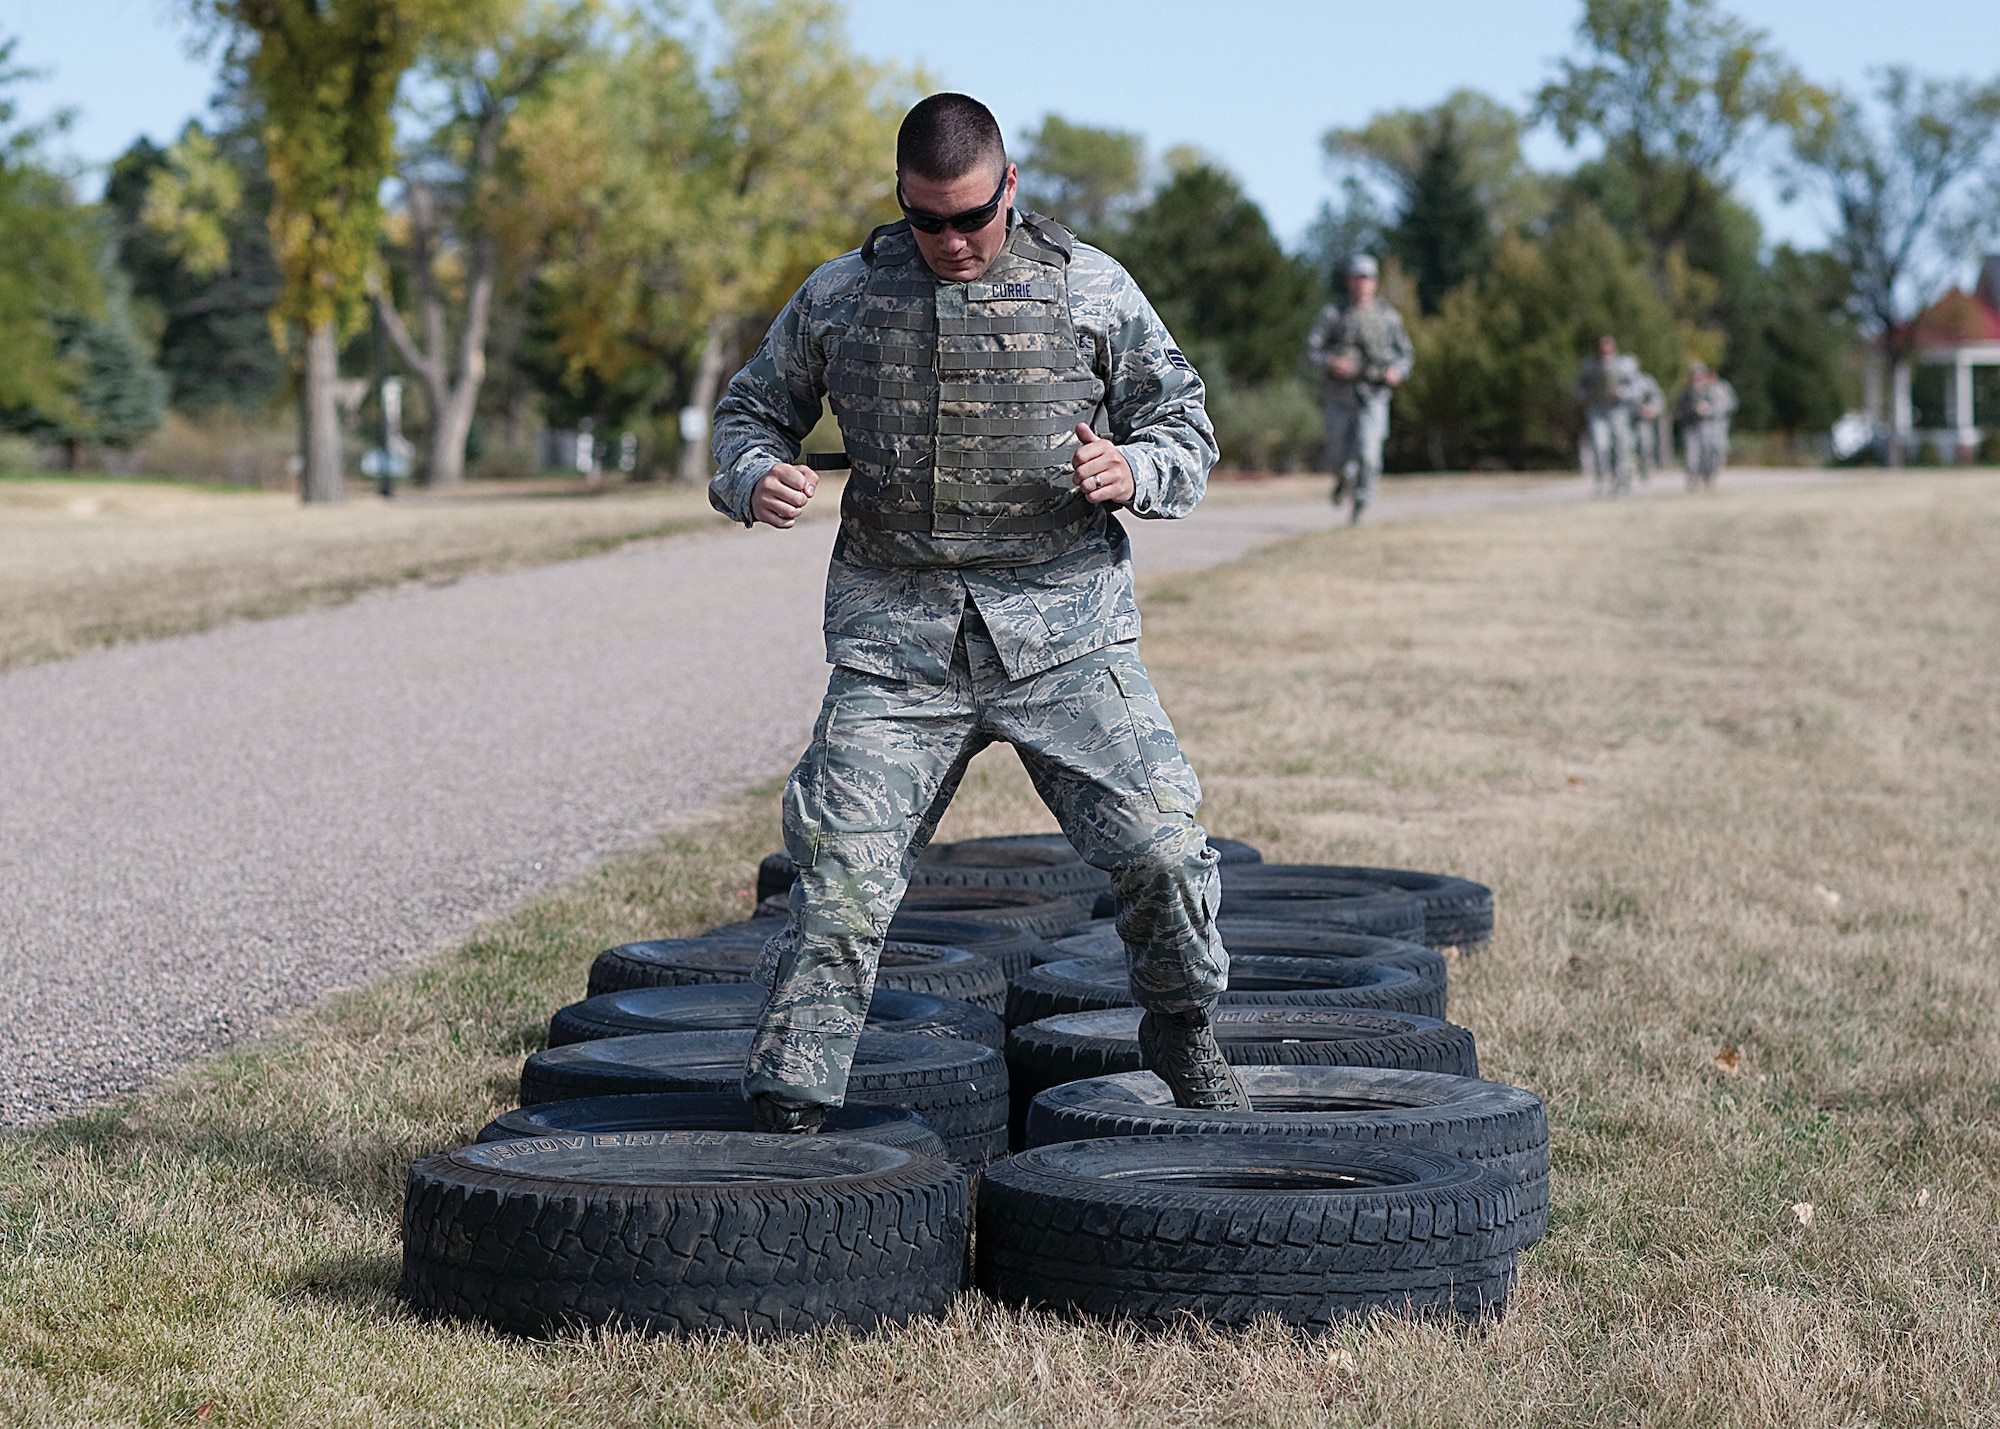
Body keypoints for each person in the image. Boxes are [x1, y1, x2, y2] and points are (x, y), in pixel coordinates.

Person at [708, 93, 1243, 1130]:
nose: (950, 241)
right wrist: (754, 474)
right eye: (925, 220)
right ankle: (789, 1110)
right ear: (901, 203)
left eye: (969, 218)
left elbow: (1186, 426)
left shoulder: (1089, 288)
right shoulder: (843, 297)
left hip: (1065, 639)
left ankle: (1180, 1026)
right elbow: (748, 410)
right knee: (839, 879)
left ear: (1010, 188)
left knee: (1164, 851)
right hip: (899, 644)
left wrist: (1133, 468)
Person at [1304, 255, 1413, 524]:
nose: (1361, 284)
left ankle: (1360, 505)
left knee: (1369, 454)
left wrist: (1397, 371)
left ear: (1374, 282)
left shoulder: (1388, 317)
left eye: (1366, 278)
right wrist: (1331, 362)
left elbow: (1405, 355)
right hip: (1339, 396)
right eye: (1356, 278)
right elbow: (1310, 351)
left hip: (1374, 395)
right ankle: (1343, 480)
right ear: (1348, 281)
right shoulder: (1333, 315)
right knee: (1337, 455)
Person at [1575, 335, 1639, 497]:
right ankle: (1601, 482)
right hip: (1597, 411)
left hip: (1617, 411)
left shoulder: (1623, 366)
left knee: (1621, 448)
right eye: (1602, 352)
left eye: (1608, 352)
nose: (1605, 355)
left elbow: (1636, 389)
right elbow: (1579, 388)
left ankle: (1622, 482)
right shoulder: (1590, 365)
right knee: (1599, 445)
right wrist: (1585, 395)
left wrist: (1623, 393)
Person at [1676, 362, 1738, 490]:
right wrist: (1694, 409)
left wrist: (1709, 410)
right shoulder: (1686, 393)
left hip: (1709, 430)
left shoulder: (1714, 390)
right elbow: (1679, 412)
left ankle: (1709, 479)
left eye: (1700, 377)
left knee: (1711, 455)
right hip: (1692, 429)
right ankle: (1692, 482)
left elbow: (1727, 405)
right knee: (1692, 458)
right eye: (1694, 377)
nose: (1697, 380)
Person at [1630, 366, 1667, 485]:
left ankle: (1644, 474)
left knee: (1645, 446)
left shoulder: (1645, 381)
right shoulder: (1618, 380)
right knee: (1624, 449)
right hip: (1623, 421)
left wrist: (1652, 409)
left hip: (1642, 421)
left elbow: (1658, 397)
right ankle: (1624, 477)